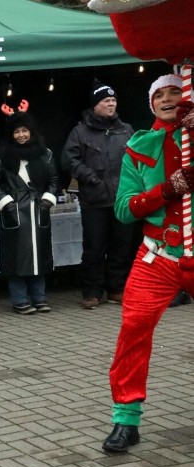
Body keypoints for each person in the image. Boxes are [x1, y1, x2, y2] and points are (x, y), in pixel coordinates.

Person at [102, 74, 194, 453]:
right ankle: (126, 419)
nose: (169, 99)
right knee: (134, 328)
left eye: (177, 92)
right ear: (151, 103)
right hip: (158, 255)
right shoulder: (139, 146)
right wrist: (166, 190)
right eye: (162, 95)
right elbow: (124, 209)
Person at [62, 80, 138, 310]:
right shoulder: (80, 131)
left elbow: (139, 159)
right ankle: (92, 291)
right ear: (95, 105)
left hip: (122, 199)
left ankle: (117, 289)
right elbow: (68, 160)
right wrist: (90, 177)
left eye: (113, 100)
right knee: (94, 247)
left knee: (122, 246)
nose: (111, 104)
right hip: (95, 199)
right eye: (106, 100)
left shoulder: (126, 129)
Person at [0, 101, 59, 315]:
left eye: (24, 130)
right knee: (16, 257)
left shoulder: (45, 154)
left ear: (31, 131)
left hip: (38, 209)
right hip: (15, 210)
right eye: (17, 131)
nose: (21, 135)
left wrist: (47, 201)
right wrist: (7, 204)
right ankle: (20, 299)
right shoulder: (1, 157)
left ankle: (39, 298)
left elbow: (54, 179)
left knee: (40, 255)